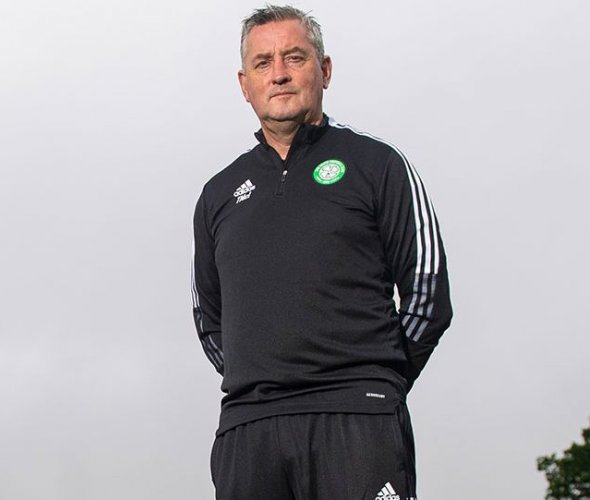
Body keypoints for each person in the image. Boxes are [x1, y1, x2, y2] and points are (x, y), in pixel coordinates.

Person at [191, 5, 452, 500]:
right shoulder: (217, 195)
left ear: (325, 70)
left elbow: (428, 294)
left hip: (359, 419)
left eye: (294, 57)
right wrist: (264, 378)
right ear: (245, 85)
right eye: (263, 63)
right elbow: (209, 320)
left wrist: (377, 380)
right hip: (250, 431)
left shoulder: (377, 165)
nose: (280, 74)